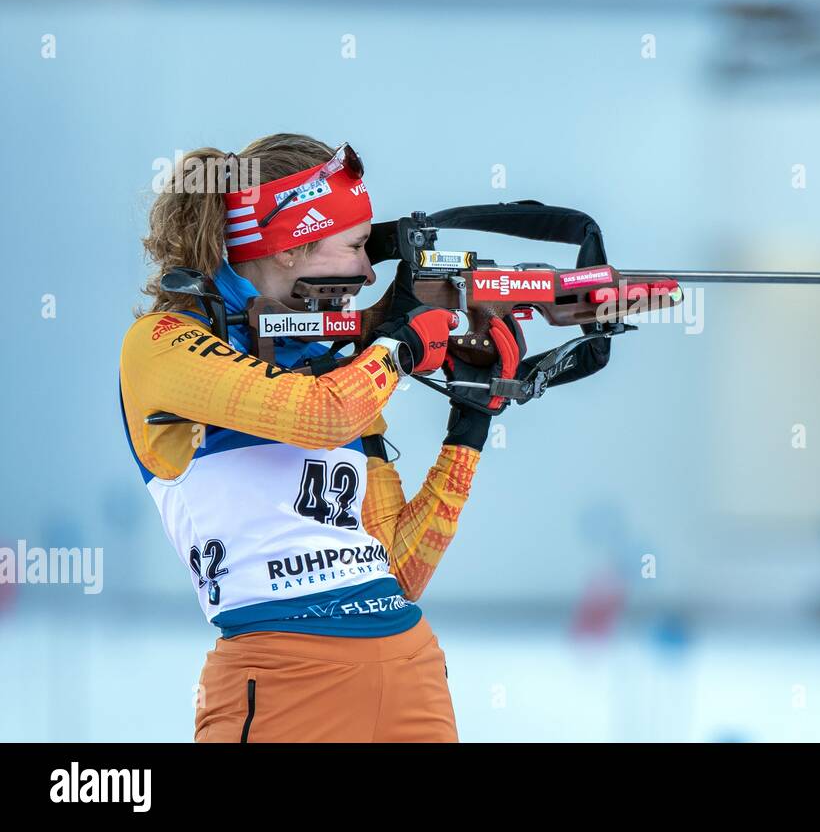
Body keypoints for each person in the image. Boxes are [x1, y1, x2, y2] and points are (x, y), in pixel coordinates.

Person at [118, 133, 523, 741]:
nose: (366, 269)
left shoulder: (334, 364)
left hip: (408, 670)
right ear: (288, 246)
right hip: (281, 681)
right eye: (356, 246)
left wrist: (471, 422)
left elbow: (400, 571)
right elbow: (322, 415)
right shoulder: (161, 343)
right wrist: (402, 345)